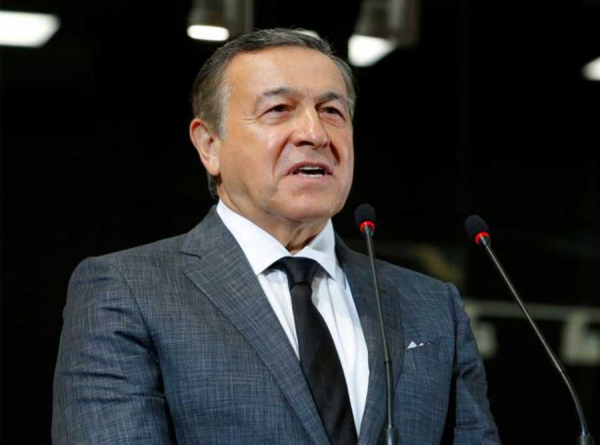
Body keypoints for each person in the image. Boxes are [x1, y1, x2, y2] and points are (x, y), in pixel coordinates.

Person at [52, 28, 501, 444]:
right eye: (279, 109)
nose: (315, 133)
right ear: (209, 145)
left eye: (332, 111)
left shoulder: (430, 306)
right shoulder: (130, 290)